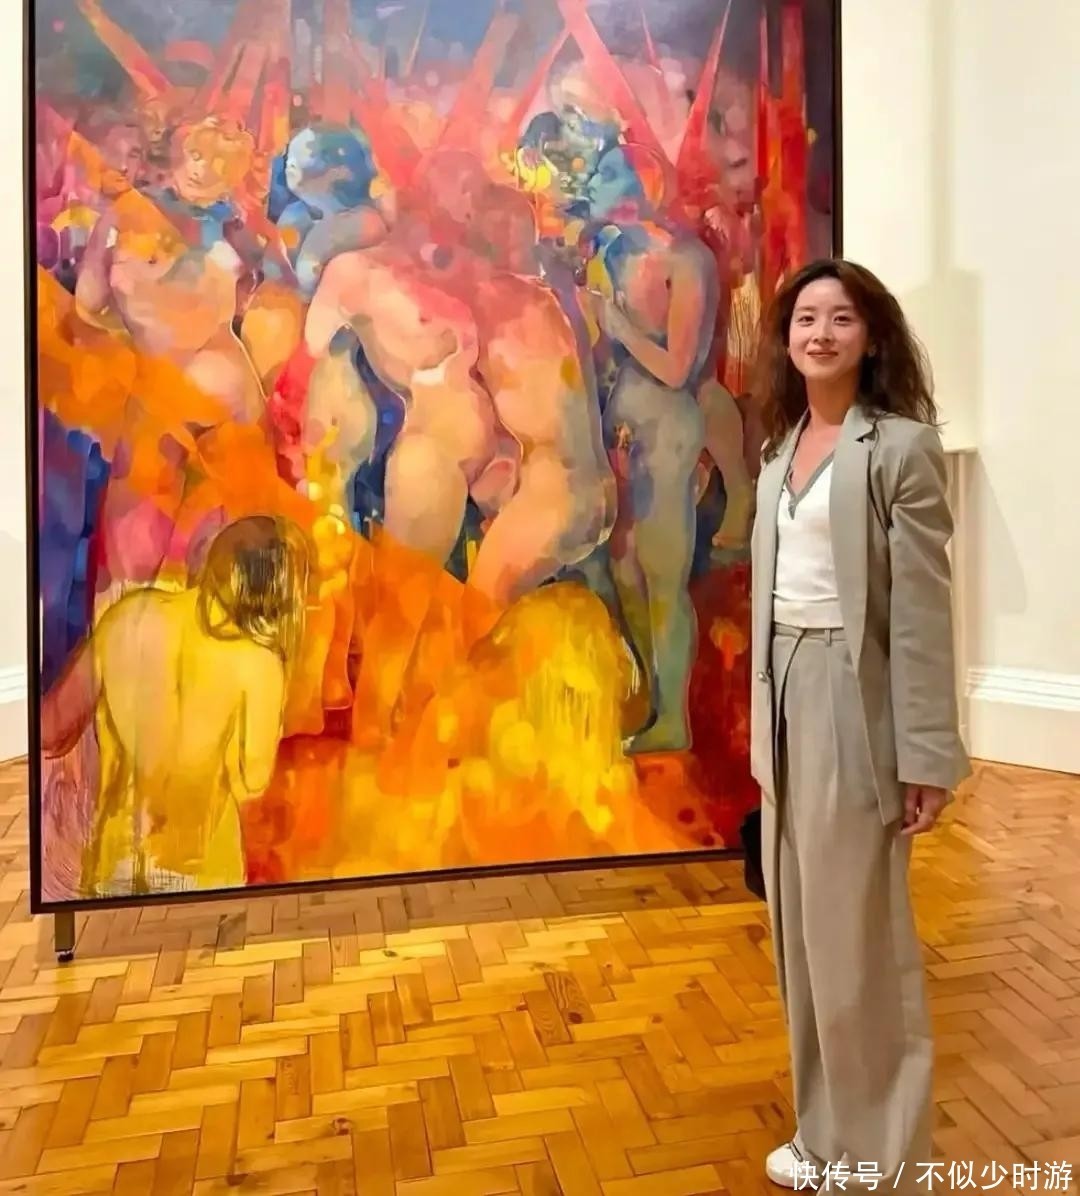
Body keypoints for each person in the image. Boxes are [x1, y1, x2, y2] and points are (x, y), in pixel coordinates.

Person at [747, 259, 971, 1192]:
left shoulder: (900, 449)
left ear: (871, 337)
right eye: (806, 318)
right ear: (787, 338)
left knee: (857, 941)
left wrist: (925, 754)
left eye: (842, 318)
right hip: (783, 700)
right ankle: (824, 1135)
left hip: (851, 694)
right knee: (801, 936)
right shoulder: (778, 451)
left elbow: (920, 614)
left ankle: (882, 1160)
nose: (821, 333)